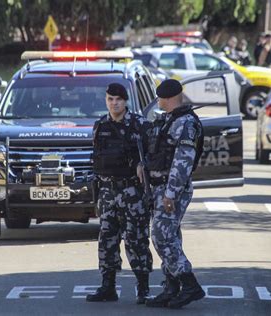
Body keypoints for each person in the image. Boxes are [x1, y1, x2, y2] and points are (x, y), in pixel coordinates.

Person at [86, 83, 153, 304]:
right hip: (107, 192)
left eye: (118, 99)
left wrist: (142, 165)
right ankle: (108, 287)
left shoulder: (139, 125)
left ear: (125, 101)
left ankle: (143, 288)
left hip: (132, 192)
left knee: (136, 240)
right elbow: (96, 158)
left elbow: (154, 155)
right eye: (110, 99)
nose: (114, 103)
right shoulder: (100, 126)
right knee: (107, 240)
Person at [143, 79, 205, 309]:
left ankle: (190, 285)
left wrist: (170, 193)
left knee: (162, 237)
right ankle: (171, 287)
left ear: (168, 98)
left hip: (172, 190)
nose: (158, 102)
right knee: (171, 237)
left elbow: (183, 162)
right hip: (161, 187)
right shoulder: (171, 120)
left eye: (160, 98)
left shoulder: (186, 123)